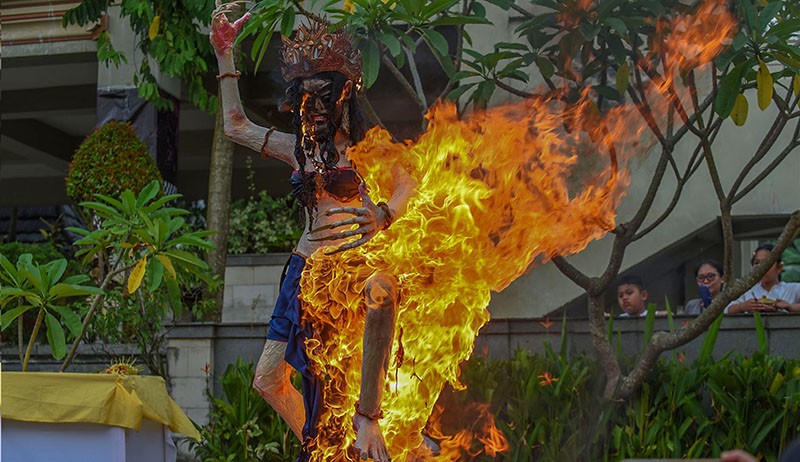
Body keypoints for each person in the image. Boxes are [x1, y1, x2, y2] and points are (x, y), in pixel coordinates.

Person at [210, 6, 415, 461]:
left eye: (323, 98)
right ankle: (327, 447)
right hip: (305, 271)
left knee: (383, 292)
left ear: (344, 97)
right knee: (267, 379)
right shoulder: (299, 151)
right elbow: (234, 126)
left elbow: (408, 180)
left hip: (354, 265)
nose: (314, 110)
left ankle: (368, 415)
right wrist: (225, 55)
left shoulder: (367, 148)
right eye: (306, 100)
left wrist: (385, 213)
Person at [725, 243, 800, 314]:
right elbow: (726, 310)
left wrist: (790, 307)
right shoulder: (746, 291)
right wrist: (742, 307)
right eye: (757, 263)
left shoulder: (794, 288)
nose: (761, 268)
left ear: (779, 267)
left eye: (767, 263)